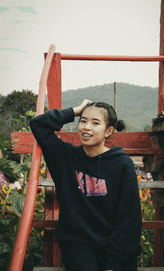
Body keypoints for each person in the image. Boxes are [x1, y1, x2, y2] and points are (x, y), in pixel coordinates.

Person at [30, 99, 142, 271]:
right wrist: (75, 111)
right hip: (78, 244)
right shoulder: (65, 157)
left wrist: (113, 265)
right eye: (83, 121)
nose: (86, 127)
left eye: (95, 123)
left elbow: (129, 219)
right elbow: (38, 125)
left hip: (116, 244)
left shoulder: (121, 164)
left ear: (108, 131)